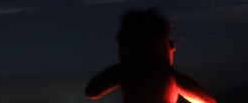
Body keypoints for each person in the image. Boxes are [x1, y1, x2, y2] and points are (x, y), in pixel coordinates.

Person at [85, 8, 217, 103]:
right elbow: (207, 100)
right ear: (169, 46)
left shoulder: (126, 70)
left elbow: (93, 91)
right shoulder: (168, 75)